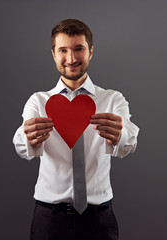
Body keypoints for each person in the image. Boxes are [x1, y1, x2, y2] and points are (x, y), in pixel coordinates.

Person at [13, 19, 139, 240]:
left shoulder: (112, 99)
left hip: (99, 218)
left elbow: (129, 144)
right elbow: (22, 147)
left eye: (78, 49)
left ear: (90, 51)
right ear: (53, 54)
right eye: (63, 50)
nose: (71, 59)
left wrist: (121, 135)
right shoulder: (39, 101)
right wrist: (28, 138)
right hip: (50, 218)